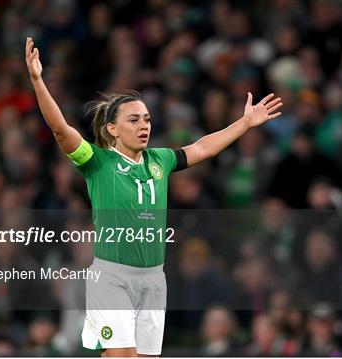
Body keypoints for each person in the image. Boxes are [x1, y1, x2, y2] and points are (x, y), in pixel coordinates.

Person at [25, 37, 282, 357]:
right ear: (113, 129)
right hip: (113, 276)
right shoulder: (97, 163)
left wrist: (244, 123)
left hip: (152, 278)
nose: (144, 125)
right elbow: (61, 130)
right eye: (133, 120)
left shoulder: (160, 160)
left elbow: (201, 147)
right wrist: (38, 80)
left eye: (146, 118)